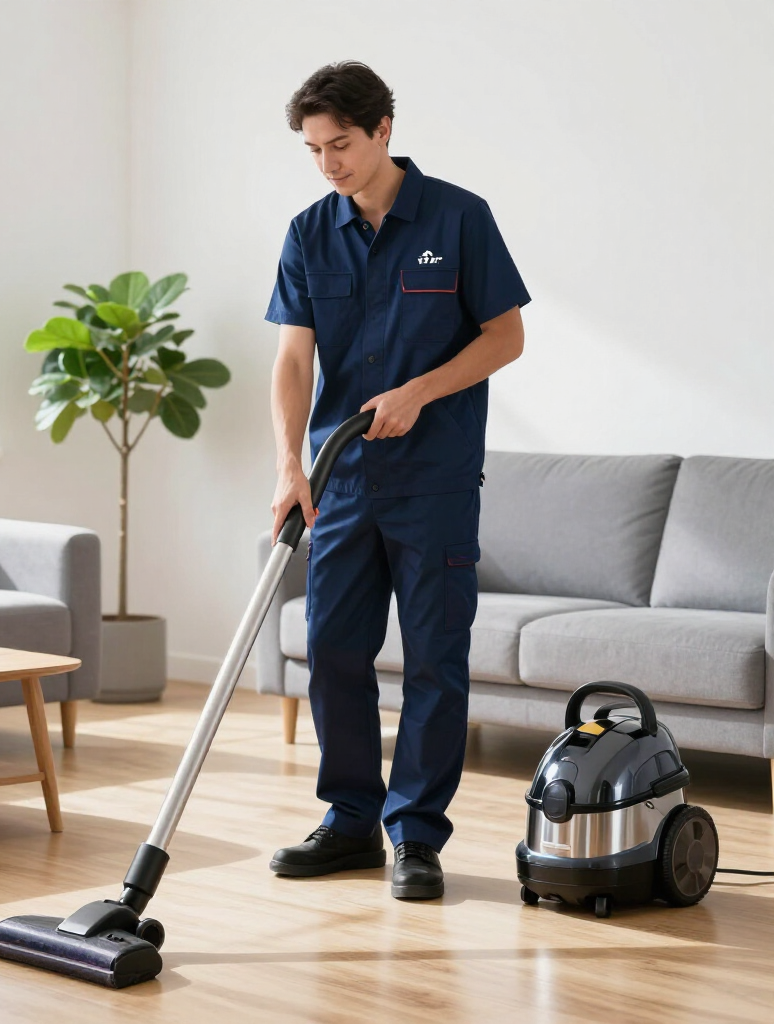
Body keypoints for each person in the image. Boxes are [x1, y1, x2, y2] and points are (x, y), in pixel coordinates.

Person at [265, 61, 530, 899]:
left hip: (434, 481)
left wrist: (420, 391)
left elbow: (506, 337)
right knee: (334, 653)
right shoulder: (310, 232)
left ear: (383, 129)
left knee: (433, 662)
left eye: (340, 144)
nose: (329, 164)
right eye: (313, 150)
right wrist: (287, 466)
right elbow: (293, 358)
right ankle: (349, 823)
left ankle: (416, 834)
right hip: (340, 481)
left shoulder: (458, 218)